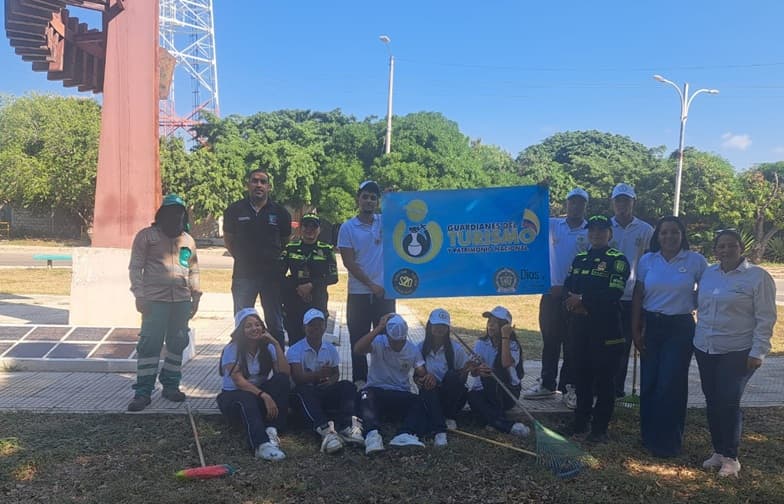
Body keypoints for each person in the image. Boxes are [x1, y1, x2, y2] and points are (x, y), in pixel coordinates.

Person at [694, 229, 777, 477]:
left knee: (728, 402)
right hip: (706, 348)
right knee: (712, 400)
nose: (726, 250)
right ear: (715, 250)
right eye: (721, 246)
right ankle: (718, 451)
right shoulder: (709, 273)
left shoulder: (757, 277)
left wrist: (758, 351)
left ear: (741, 248)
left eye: (731, 246)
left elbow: (766, 317)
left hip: (738, 350)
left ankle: (731, 457)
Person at [632, 216, 707, 457]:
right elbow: (638, 295)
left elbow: (706, 296)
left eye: (674, 232)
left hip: (680, 327)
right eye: (664, 232)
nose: (669, 237)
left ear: (682, 235)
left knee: (671, 384)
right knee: (650, 383)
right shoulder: (647, 260)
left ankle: (669, 442)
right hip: (651, 325)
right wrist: (636, 330)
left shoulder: (695, 261)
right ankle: (649, 437)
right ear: (658, 236)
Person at [127, 194, 201, 412]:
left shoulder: (187, 240)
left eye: (180, 214)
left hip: (181, 300)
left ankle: (171, 385)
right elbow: (135, 268)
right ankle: (143, 392)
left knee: (178, 343)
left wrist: (195, 297)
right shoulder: (147, 237)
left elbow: (194, 269)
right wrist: (139, 295)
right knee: (150, 344)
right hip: (153, 300)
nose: (176, 218)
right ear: (162, 215)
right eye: (171, 213)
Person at [563, 215, 630, 443]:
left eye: (602, 231)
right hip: (580, 328)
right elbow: (567, 287)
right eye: (592, 230)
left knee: (604, 382)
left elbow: (613, 293)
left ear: (610, 234)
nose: (597, 234)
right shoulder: (580, 258)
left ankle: (600, 428)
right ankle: (579, 422)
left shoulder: (618, 259)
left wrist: (583, 301)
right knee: (581, 378)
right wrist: (574, 302)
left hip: (606, 329)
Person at [524, 187, 589, 411]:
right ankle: (547, 383)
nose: (576, 206)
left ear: (585, 206)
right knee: (550, 341)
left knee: (572, 343)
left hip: (575, 297)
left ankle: (569, 387)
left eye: (580, 203)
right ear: (567, 203)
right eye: (572, 202)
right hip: (550, 293)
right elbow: (528, 215)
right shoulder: (552, 224)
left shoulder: (591, 231)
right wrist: (538, 192)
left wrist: (581, 295)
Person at [223, 168, 292, 347]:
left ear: (269, 187)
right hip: (244, 276)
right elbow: (229, 241)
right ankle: (243, 365)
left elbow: (284, 241)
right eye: (255, 181)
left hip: (272, 277)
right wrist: (244, 258)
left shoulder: (280, 213)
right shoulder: (234, 210)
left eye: (263, 182)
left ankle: (278, 366)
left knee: (275, 323)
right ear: (248, 185)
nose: (259, 185)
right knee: (242, 322)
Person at [338, 180, 395, 386]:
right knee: (358, 339)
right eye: (365, 196)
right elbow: (348, 261)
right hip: (359, 293)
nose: (369, 201)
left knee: (387, 339)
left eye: (373, 197)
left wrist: (392, 201)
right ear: (358, 199)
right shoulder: (347, 227)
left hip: (386, 293)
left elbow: (405, 219)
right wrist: (371, 285)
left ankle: (385, 381)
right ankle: (360, 383)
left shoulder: (384, 221)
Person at [286, 308, 365, 454]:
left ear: (324, 326)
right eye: (311, 325)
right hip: (304, 393)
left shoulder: (330, 348)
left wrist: (331, 382)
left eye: (319, 324)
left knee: (347, 385)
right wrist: (319, 374)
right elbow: (298, 378)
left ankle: (348, 426)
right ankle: (326, 431)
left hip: (324, 390)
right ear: (304, 327)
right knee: (303, 391)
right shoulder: (295, 350)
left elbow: (336, 373)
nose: (316, 328)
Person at [216, 308, 291, 461]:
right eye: (248, 326)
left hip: (257, 395)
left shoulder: (267, 347)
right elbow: (239, 381)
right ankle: (260, 444)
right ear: (240, 330)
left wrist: (276, 344)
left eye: (257, 325)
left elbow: (284, 372)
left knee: (281, 380)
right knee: (246, 398)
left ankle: (272, 429)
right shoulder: (232, 349)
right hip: (233, 396)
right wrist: (264, 396)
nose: (254, 329)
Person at [354, 313, 430, 454]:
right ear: (387, 335)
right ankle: (372, 435)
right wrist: (378, 328)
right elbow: (358, 349)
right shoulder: (378, 341)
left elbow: (421, 371)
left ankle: (405, 434)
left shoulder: (412, 349)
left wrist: (425, 376)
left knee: (419, 401)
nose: (397, 345)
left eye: (400, 341)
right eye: (393, 341)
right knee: (364, 395)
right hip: (376, 391)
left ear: (405, 337)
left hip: (399, 393)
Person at [609, 183, 654, 398]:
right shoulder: (604, 228)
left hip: (633, 296)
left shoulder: (645, 230)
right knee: (606, 344)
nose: (622, 205)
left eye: (626, 200)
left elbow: (651, 261)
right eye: (618, 200)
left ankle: (617, 390)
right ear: (613, 203)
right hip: (607, 296)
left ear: (633, 203)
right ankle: (603, 386)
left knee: (626, 344)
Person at [466, 306, 530, 438]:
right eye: (489, 322)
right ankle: (505, 425)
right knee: (472, 396)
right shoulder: (481, 343)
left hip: (507, 392)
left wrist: (505, 337)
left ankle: (492, 420)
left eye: (495, 323)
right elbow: (472, 372)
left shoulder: (512, 345)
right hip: (485, 391)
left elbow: (506, 363)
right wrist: (477, 370)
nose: (490, 326)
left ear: (504, 326)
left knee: (494, 375)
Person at [416, 308, 472, 447]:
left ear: (448, 328)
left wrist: (467, 370)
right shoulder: (419, 348)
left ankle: (449, 416)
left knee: (452, 375)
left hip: (450, 396)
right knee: (428, 385)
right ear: (429, 326)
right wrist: (425, 379)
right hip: (430, 394)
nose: (439, 329)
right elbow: (415, 378)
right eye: (436, 325)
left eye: (443, 325)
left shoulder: (455, 349)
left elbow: (461, 381)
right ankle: (440, 431)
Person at [281, 213, 339, 346]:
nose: (309, 230)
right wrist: (298, 287)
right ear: (300, 228)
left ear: (319, 230)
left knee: (315, 343)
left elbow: (333, 277)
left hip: (317, 303)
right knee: (295, 343)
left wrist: (312, 285)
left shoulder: (326, 250)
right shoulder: (291, 248)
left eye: (314, 226)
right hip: (293, 304)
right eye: (306, 226)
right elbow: (279, 275)